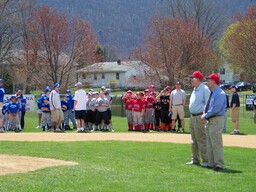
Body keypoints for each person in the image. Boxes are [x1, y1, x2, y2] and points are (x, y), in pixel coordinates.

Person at [201, 73, 226, 171]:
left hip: (216, 118)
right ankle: (211, 163)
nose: (207, 82)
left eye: (209, 80)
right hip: (210, 119)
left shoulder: (220, 93)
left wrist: (205, 115)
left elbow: (216, 108)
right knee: (209, 142)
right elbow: (207, 106)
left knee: (216, 142)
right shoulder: (212, 92)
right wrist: (204, 114)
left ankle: (219, 164)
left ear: (214, 82)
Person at [187, 71, 210, 167]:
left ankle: (206, 160)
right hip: (192, 117)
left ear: (198, 79)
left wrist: (205, 116)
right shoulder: (194, 89)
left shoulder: (204, 89)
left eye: (193, 78)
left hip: (200, 116)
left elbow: (208, 104)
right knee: (194, 140)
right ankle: (195, 159)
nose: (191, 80)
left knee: (201, 139)